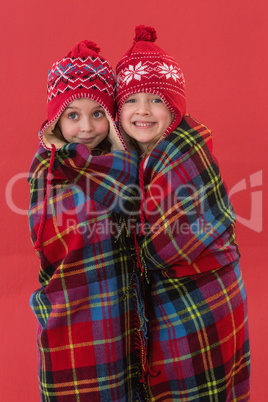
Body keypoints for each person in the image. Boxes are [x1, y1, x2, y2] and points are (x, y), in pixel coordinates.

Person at [116, 26, 250, 401]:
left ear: (176, 108)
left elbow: (166, 243)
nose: (142, 110)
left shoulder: (185, 152)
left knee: (197, 384)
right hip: (164, 297)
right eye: (130, 101)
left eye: (156, 99)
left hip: (204, 295)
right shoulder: (131, 160)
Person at [28, 40, 150, 401]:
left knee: (125, 382)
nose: (86, 127)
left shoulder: (129, 164)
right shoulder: (48, 168)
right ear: (57, 119)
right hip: (73, 304)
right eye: (73, 114)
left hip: (119, 304)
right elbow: (48, 235)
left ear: (111, 119)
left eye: (97, 113)